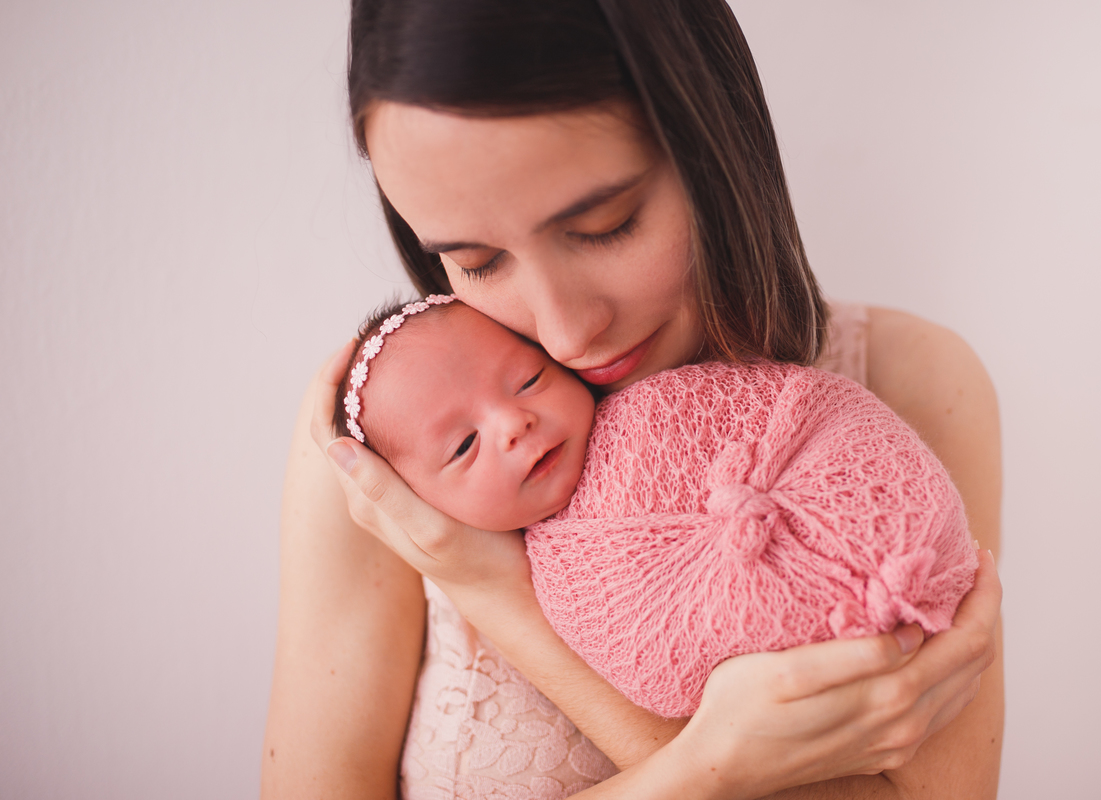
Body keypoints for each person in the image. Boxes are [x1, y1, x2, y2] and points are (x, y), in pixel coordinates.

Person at [261, 0, 1004, 798]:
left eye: (605, 226)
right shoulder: (387, 462)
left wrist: (501, 593)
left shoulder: (907, 381)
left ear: (716, 149)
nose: (566, 332)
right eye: (476, 261)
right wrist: (701, 769)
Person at [332, 293, 978, 724]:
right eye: (465, 444)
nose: (513, 423)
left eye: (528, 379)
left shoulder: (666, 408)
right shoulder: (394, 537)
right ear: (413, 498)